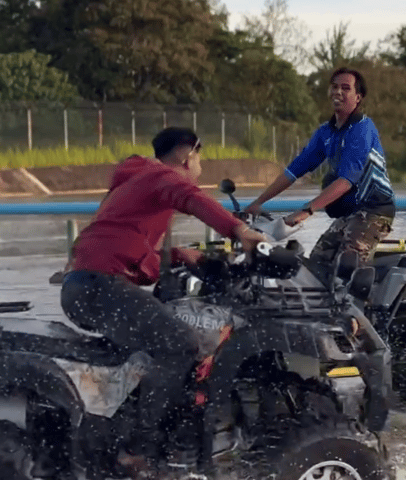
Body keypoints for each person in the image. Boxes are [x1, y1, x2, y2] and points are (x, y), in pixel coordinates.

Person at [60, 127, 265, 460]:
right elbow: (192, 197)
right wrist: (240, 230)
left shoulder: (139, 177)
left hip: (90, 284)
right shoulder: (160, 176)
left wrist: (184, 256)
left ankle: (133, 426)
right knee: (181, 344)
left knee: (162, 334)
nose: (201, 167)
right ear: (187, 155)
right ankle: (142, 448)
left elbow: (127, 243)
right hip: (99, 286)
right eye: (200, 158)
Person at [244, 67, 395, 284]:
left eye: (346, 88)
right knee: (315, 266)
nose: (338, 92)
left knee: (347, 268)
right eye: (334, 87)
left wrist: (306, 210)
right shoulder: (326, 132)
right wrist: (258, 202)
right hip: (349, 213)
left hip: (374, 212)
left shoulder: (362, 129)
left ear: (357, 97)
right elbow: (293, 171)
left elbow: (345, 181)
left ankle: (359, 316)